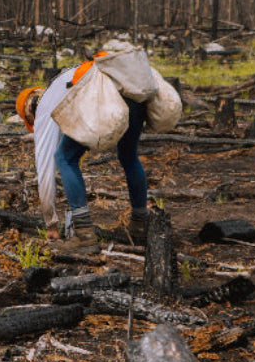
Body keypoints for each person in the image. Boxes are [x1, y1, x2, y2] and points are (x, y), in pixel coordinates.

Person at [17, 48, 174, 254]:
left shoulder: (45, 104)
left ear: (30, 115)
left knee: (64, 158)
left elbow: (45, 167)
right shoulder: (65, 79)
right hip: (131, 92)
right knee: (129, 156)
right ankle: (140, 224)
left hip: (105, 95)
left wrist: (51, 223)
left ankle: (85, 235)